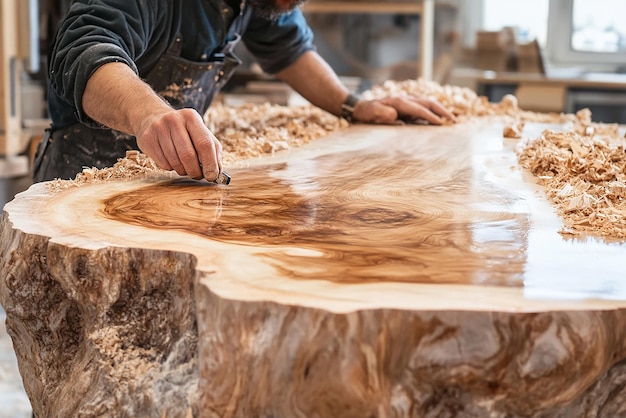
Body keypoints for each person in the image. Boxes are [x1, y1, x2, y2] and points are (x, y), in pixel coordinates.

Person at [34, 0, 456, 183]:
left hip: (173, 179)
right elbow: (82, 48)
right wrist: (148, 115)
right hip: (89, 178)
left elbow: (290, 48)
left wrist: (353, 104)